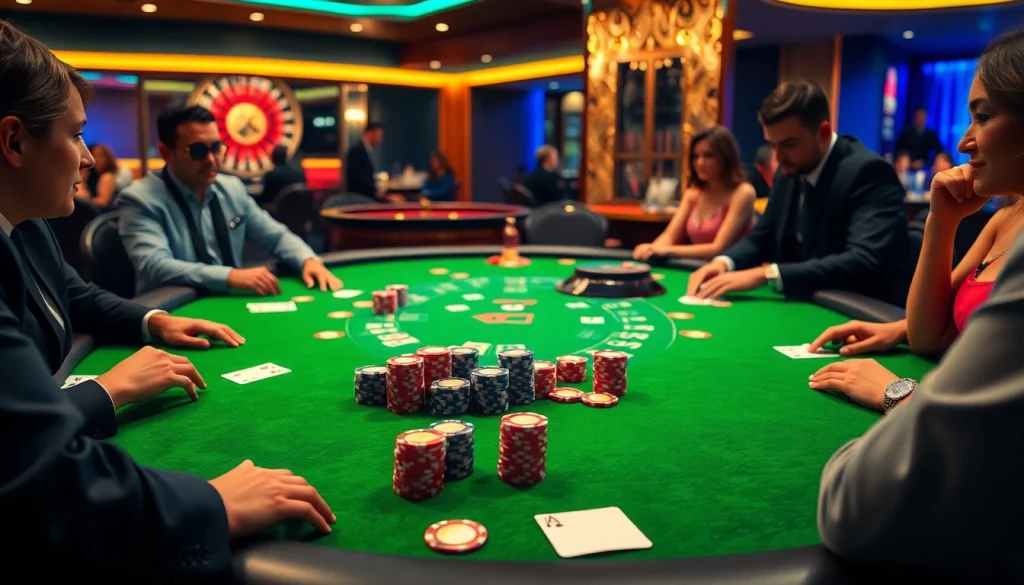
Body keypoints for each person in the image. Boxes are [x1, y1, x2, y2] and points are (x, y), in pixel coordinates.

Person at [0, 20, 334, 579]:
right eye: (76, 134)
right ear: (13, 141)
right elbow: (47, 483)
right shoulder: (138, 196)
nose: (89, 159)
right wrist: (213, 503)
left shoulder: (25, 227)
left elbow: (73, 294)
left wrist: (154, 319)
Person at [816, 29, 1024, 578]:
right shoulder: (1004, 219)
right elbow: (929, 333)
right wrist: (942, 222)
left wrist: (896, 391)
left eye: (982, 117)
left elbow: (855, 507)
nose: (963, 141)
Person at [685, 80, 914, 307]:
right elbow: (763, 236)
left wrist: (766, 274)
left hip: (867, 310)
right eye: (772, 145)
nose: (778, 157)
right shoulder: (787, 172)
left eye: (789, 144)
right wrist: (725, 262)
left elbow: (863, 260)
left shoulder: (868, 173)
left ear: (823, 133)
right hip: (810, 303)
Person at [118, 105, 341, 296]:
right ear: (167, 153)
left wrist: (307, 259)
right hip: (170, 310)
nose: (211, 160)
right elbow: (155, 266)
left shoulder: (231, 188)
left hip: (229, 300)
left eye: (216, 148)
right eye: (198, 151)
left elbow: (274, 235)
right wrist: (229, 276)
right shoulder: (139, 199)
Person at [633, 126, 755, 260]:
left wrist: (665, 251)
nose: (700, 163)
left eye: (708, 156)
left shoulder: (743, 193)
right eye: (695, 156)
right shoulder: (693, 193)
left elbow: (718, 248)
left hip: (734, 273)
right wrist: (650, 250)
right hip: (696, 268)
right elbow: (669, 236)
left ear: (726, 157)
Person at [344, 121, 384, 199]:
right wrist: (376, 193)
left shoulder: (365, 150)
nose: (380, 140)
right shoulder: (356, 152)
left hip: (366, 197)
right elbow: (357, 179)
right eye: (379, 136)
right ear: (370, 133)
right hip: (360, 199)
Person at [76, 143, 117, 208]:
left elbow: (102, 202)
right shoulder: (90, 174)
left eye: (100, 156)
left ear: (107, 158)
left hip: (100, 214)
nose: (96, 159)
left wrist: (85, 200)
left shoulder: (107, 176)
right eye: (93, 155)